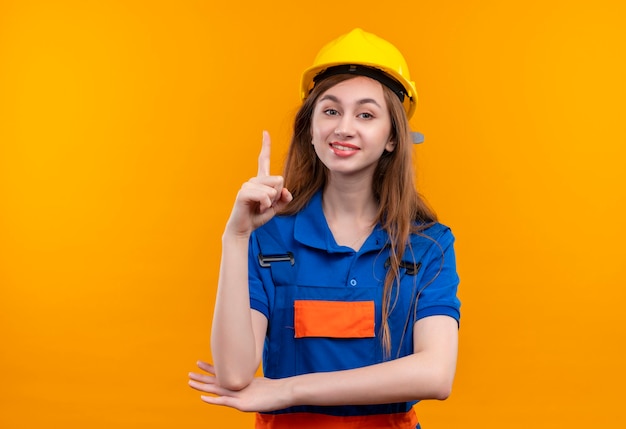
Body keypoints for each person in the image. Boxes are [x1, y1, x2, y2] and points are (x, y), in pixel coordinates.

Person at [188, 28, 461, 429]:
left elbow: (436, 375)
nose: (344, 127)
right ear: (310, 129)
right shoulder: (270, 236)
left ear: (392, 138)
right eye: (330, 111)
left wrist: (289, 390)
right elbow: (234, 375)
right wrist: (236, 237)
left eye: (366, 114)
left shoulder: (428, 245)